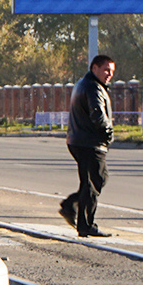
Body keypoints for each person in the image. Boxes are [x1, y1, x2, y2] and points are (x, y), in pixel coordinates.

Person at [61, 54, 115, 238]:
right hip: (90, 142)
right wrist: (108, 133)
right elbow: (98, 115)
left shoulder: (83, 84)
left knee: (93, 181)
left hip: (79, 140)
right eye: (106, 70)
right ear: (95, 68)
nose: (109, 74)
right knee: (94, 182)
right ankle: (85, 224)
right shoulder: (93, 88)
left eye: (112, 71)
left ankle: (72, 207)